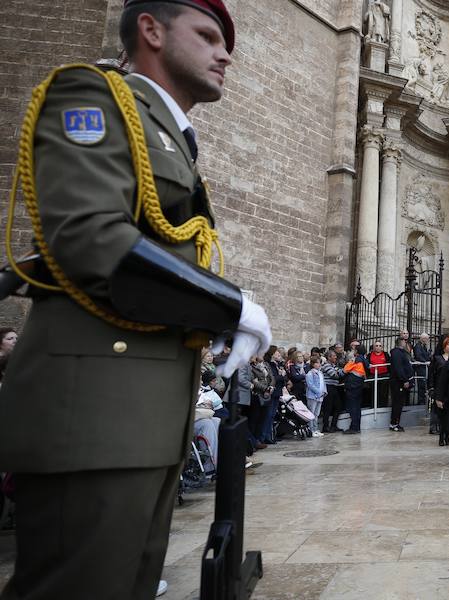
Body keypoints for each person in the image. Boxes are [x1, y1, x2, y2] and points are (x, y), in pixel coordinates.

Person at [0, 3, 273, 596]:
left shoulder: (172, 135)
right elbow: (90, 237)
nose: (224, 53)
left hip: (143, 427)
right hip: (92, 422)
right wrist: (232, 306)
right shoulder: (92, 95)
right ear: (150, 29)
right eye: (206, 35)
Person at [429, 335, 449, 446]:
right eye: (448, 344)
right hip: (440, 390)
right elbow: (431, 375)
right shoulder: (437, 359)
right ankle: (441, 437)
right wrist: (431, 388)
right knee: (442, 415)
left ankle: (447, 436)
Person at [389, 338, 414, 431]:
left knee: (399, 403)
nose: (405, 343)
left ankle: (395, 423)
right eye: (404, 341)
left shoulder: (400, 352)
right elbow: (398, 368)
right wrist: (404, 380)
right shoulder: (396, 353)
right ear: (401, 342)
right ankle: (394, 424)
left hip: (400, 382)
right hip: (398, 383)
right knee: (397, 403)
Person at [342, 347, 368, 434]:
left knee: (352, 407)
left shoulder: (356, 360)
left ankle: (354, 428)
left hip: (352, 386)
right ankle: (356, 427)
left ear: (356, 351)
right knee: (357, 408)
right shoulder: (364, 360)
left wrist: (349, 361)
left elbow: (345, 369)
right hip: (359, 385)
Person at [320, 349, 345, 433]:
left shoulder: (334, 365)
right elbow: (335, 375)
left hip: (334, 388)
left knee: (338, 406)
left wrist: (341, 372)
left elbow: (340, 372)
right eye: (334, 356)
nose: (336, 357)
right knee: (328, 408)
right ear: (329, 357)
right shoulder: (326, 365)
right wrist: (342, 371)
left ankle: (333, 426)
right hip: (328, 388)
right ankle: (325, 427)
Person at [305, 357, 327, 437]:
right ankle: (311, 430)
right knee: (311, 413)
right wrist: (318, 392)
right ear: (313, 364)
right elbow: (310, 385)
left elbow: (323, 383)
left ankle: (316, 428)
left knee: (316, 413)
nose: (319, 364)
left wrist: (324, 391)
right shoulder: (310, 373)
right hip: (312, 396)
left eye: (319, 363)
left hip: (320, 396)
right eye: (317, 363)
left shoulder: (320, 373)